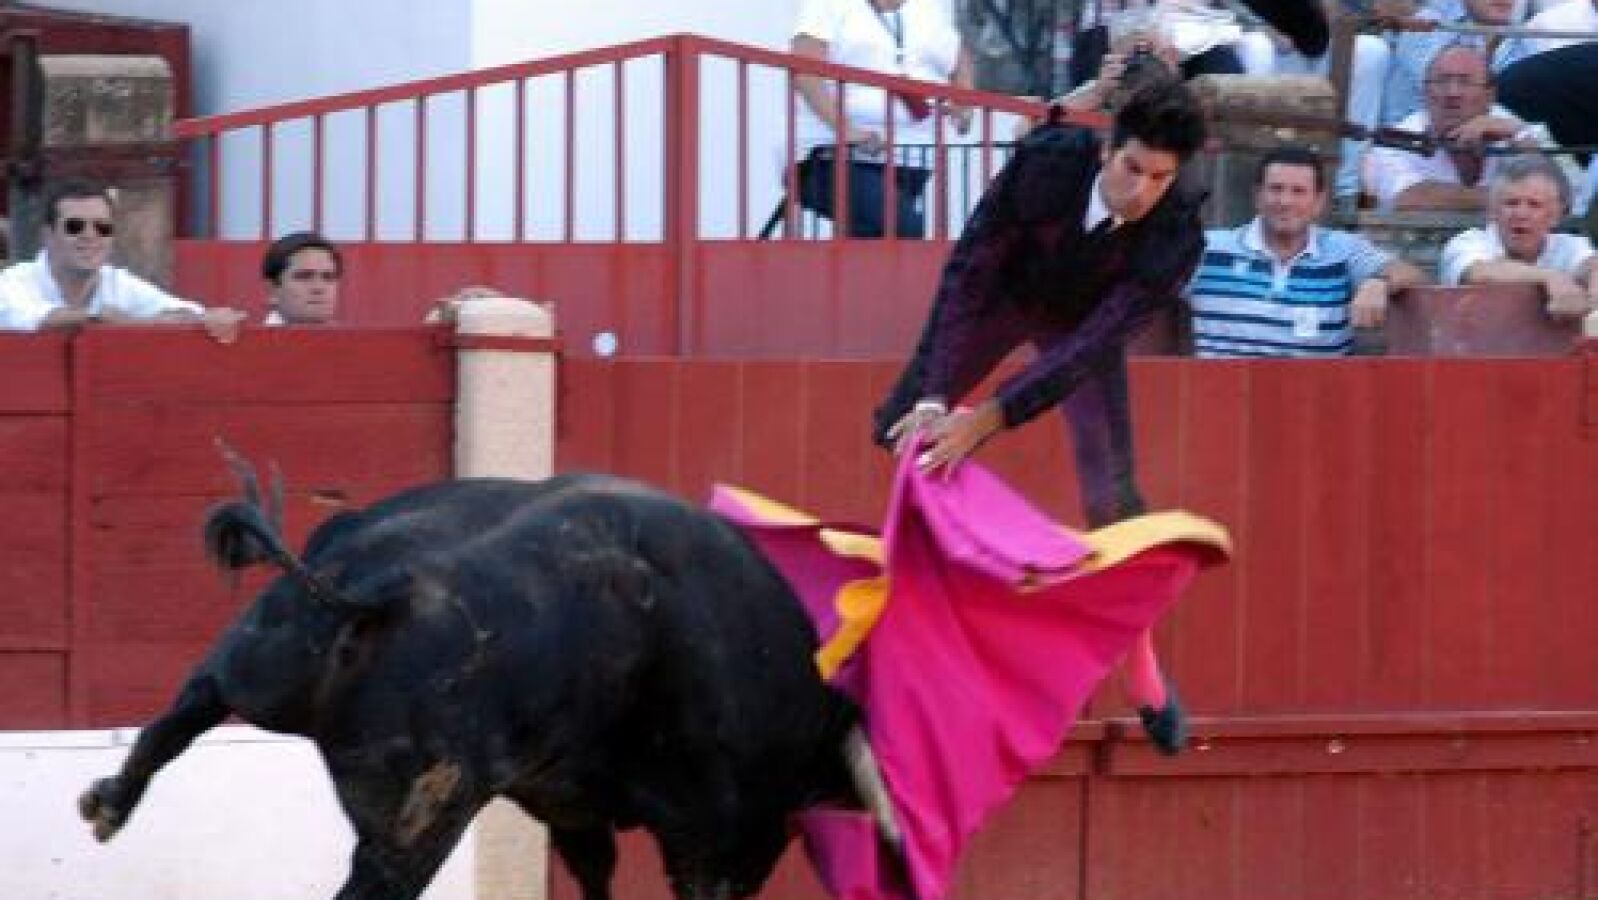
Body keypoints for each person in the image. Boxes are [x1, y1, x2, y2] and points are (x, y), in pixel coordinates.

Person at [871, 67, 1209, 754]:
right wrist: (937, 394)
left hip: (1079, 329)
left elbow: (1088, 347)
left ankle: (1142, 670)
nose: (1141, 192)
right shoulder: (1047, 162)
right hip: (1003, 298)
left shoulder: (1176, 236)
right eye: (1133, 169)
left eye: (1160, 179)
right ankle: (926, 625)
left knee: (1114, 500)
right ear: (1107, 147)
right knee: (903, 427)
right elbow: (970, 269)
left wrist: (986, 418)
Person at [1189, 146, 1427, 356]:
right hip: (1222, 391)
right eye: (1276, 189)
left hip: (1317, 393)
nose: (1285, 201)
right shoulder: (1207, 248)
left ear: (1319, 202)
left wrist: (1379, 283)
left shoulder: (1342, 250)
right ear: (1258, 197)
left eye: (1298, 191)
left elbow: (1413, 274)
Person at [790, 0, 973, 238]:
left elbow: (958, 56)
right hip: (833, 156)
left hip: (912, 158)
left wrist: (964, 103)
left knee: (874, 240)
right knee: (904, 228)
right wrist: (846, 129)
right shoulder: (828, 5)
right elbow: (805, 73)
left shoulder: (928, 7)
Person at [0, 178, 243, 340]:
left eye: (102, 227)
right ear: (48, 235)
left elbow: (185, 312)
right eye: (75, 226)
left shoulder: (118, 282)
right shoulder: (13, 281)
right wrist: (101, 318)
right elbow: (29, 319)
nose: (90, 236)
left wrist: (208, 318)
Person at [1362, 44, 1552, 211]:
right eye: (1441, 81)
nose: (1452, 93)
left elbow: (1556, 195)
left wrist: (1520, 136)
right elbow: (1412, 198)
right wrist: (1517, 197)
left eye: (1465, 82)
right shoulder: (1394, 141)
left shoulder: (1507, 125)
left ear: (1490, 95)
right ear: (1425, 92)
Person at [1236, 0, 1391, 199]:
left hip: (1322, 35)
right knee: (1256, 48)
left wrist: (1332, 14)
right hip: (1257, 36)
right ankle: (1263, 182)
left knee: (1372, 51)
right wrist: (1263, 25)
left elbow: (1367, 12)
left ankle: (1343, 188)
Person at [1439, 154, 1597, 318]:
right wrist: (1551, 277)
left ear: (1555, 216)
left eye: (1534, 205)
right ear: (1492, 211)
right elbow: (1479, 273)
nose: (1521, 214)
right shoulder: (1467, 242)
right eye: (1511, 203)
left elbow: (1591, 265)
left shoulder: (1570, 245)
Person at [1380, 0, 1523, 127]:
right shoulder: (1427, 24)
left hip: (1486, 138)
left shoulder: (1523, 34)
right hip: (1412, 139)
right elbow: (1452, 96)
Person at [261, 231, 342, 325]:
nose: (318, 287)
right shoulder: (249, 335)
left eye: (328, 277)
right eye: (304, 277)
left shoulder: (348, 335)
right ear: (272, 290)